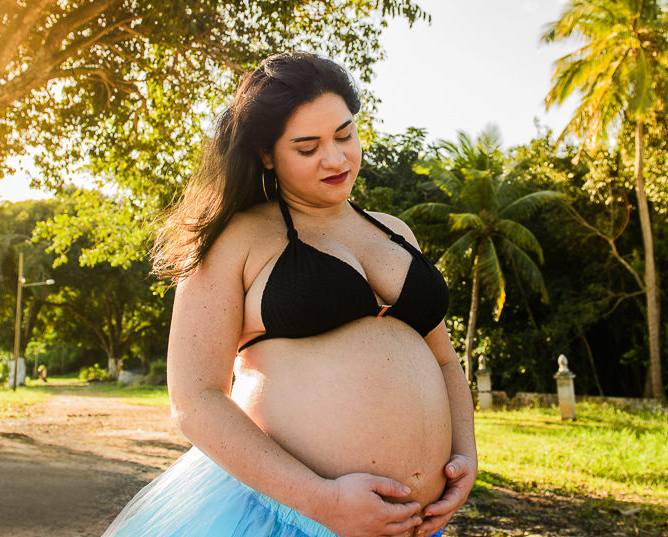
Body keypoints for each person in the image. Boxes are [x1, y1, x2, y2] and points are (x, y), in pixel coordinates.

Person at [102, 52, 476, 537]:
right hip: (282, 518)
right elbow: (195, 399)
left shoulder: (395, 231)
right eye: (307, 147)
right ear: (265, 154)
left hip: (416, 526)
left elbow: (444, 360)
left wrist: (463, 453)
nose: (337, 158)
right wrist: (323, 501)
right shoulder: (233, 238)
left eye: (345, 134)